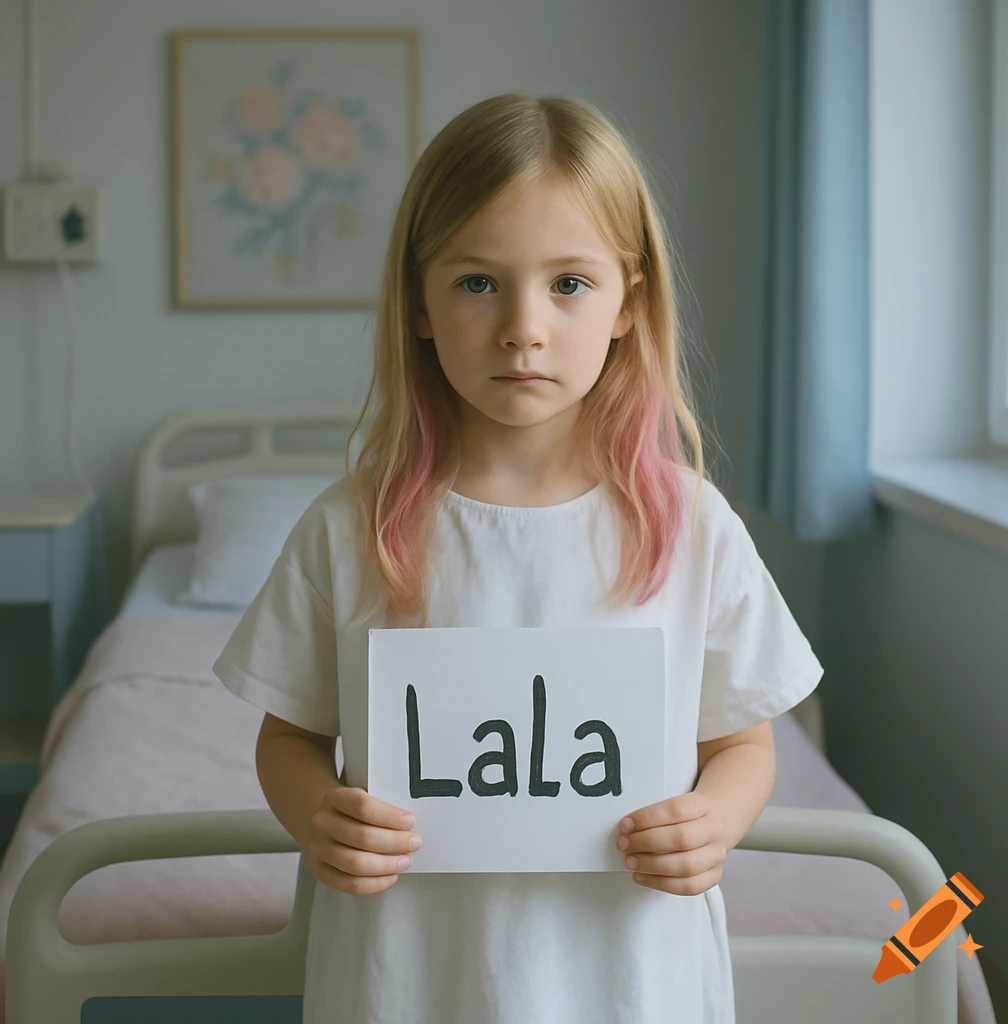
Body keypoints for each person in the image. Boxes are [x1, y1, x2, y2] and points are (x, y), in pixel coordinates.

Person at [212, 91, 824, 1023]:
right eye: (476, 282)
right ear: (419, 302)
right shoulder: (351, 527)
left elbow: (743, 742)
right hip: (410, 977)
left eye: (568, 284)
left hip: (631, 976)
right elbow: (289, 737)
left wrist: (718, 819)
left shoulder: (689, 525)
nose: (522, 327)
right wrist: (317, 815)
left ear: (630, 301)